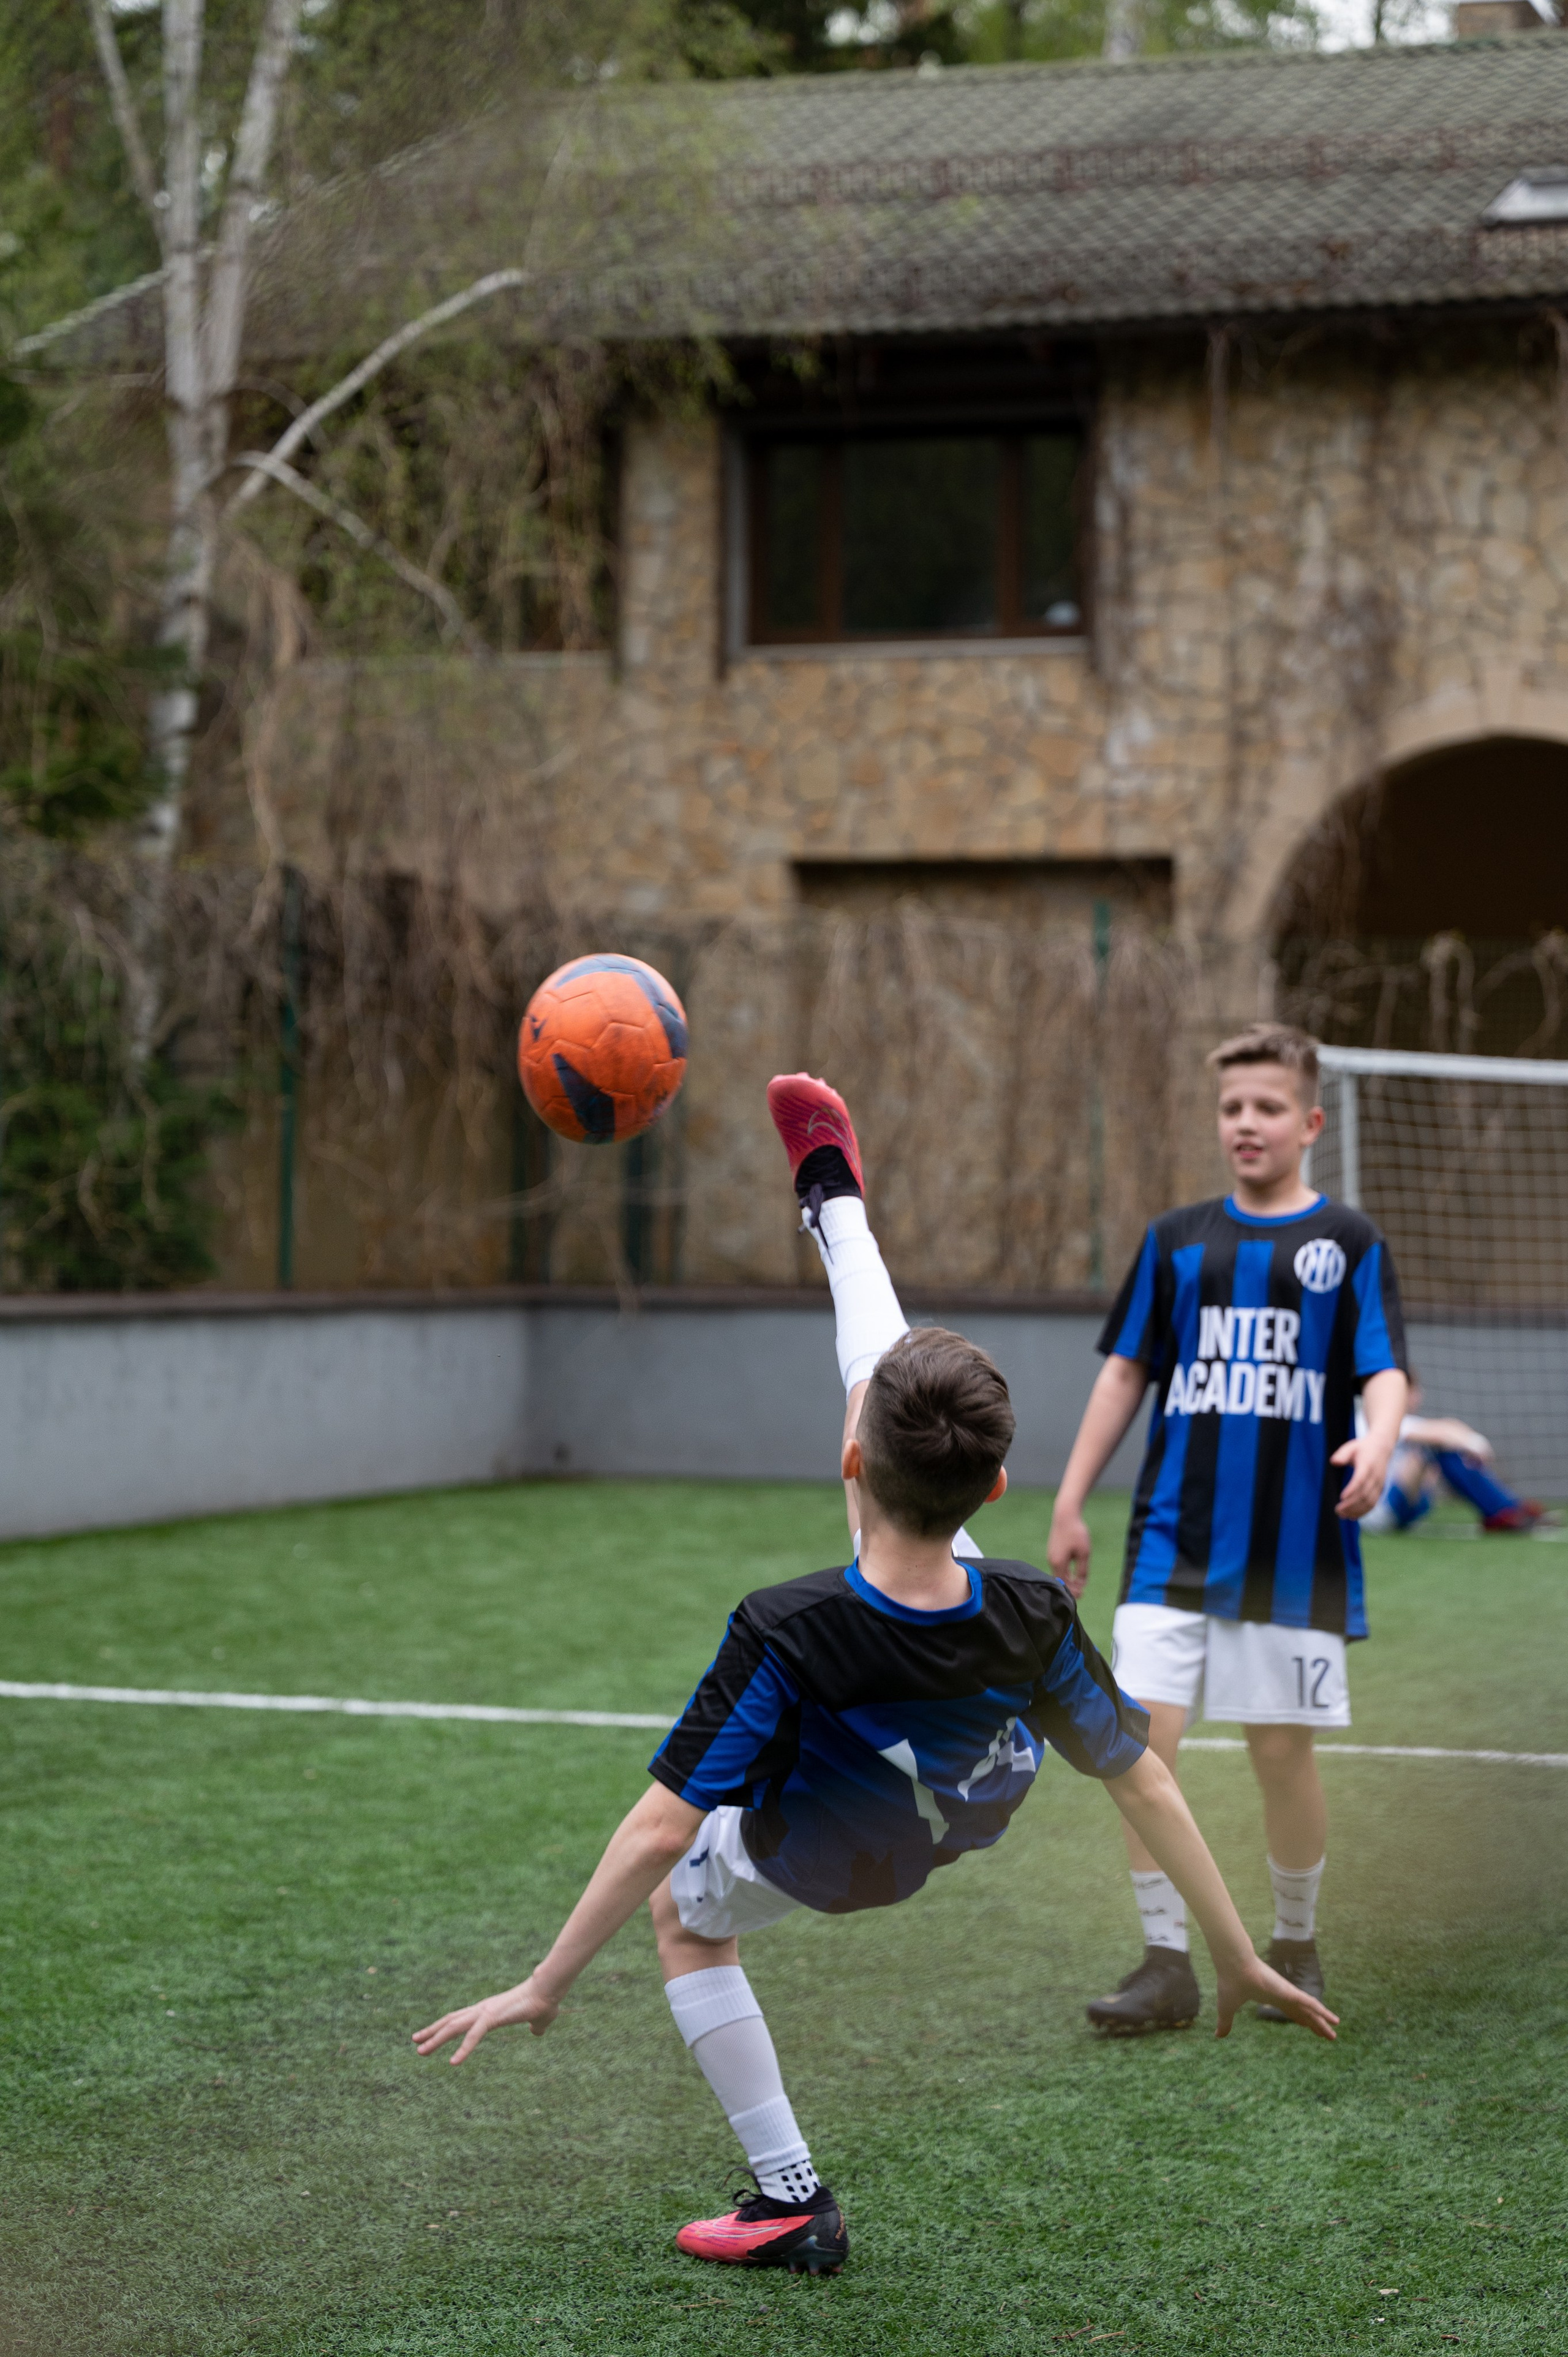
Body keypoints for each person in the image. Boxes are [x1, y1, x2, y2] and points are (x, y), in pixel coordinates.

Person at [413, 1079, 1336, 2278]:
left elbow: (655, 1832)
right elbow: (1145, 1782)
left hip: (824, 1852)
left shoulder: (786, 1627)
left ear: (851, 1466)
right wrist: (1236, 1947)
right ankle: (833, 1202)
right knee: (891, 1394)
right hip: (964, 1805)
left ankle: (788, 2196)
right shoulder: (1031, 1610)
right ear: (997, 1487)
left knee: (682, 1920)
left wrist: (545, 1982)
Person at [1046, 1022, 1409, 2034]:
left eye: (1266, 1107)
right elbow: (1125, 1370)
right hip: (1173, 1543)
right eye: (1232, 1107)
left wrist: (1379, 1440)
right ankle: (1168, 1960)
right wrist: (1073, 1497)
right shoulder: (1175, 1241)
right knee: (1140, 1743)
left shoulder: (1349, 1243)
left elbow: (1384, 1368)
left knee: (1280, 1749)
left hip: (1294, 1554)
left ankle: (1296, 1941)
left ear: (1310, 1121)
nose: (1246, 1123)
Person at [1362, 1382, 1558, 1536]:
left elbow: (1446, 1428)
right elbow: (1439, 1433)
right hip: (1379, 1514)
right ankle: (1503, 1512)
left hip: (1401, 1507)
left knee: (1438, 1449)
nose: (1418, 1397)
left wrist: (1467, 1442)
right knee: (1434, 1449)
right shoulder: (1371, 1419)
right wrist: (1475, 1442)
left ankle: (1507, 1509)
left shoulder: (1399, 1421)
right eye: (1412, 1391)